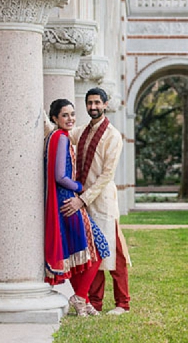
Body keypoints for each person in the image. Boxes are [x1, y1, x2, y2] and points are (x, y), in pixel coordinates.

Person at [61, 87, 131, 315]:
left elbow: (106, 176)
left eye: (97, 103)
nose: (93, 107)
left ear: (105, 104)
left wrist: (82, 200)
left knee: (114, 251)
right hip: (83, 201)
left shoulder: (112, 136)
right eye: (89, 103)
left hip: (101, 202)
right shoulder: (82, 131)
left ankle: (123, 303)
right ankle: (95, 302)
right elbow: (62, 133)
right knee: (94, 253)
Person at [44, 98, 110, 317]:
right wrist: (80, 187)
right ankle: (80, 296)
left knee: (74, 254)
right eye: (65, 115)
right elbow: (59, 176)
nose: (70, 118)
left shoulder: (53, 136)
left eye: (72, 114)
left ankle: (84, 301)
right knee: (98, 247)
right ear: (55, 118)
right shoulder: (61, 138)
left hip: (62, 201)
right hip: (69, 202)